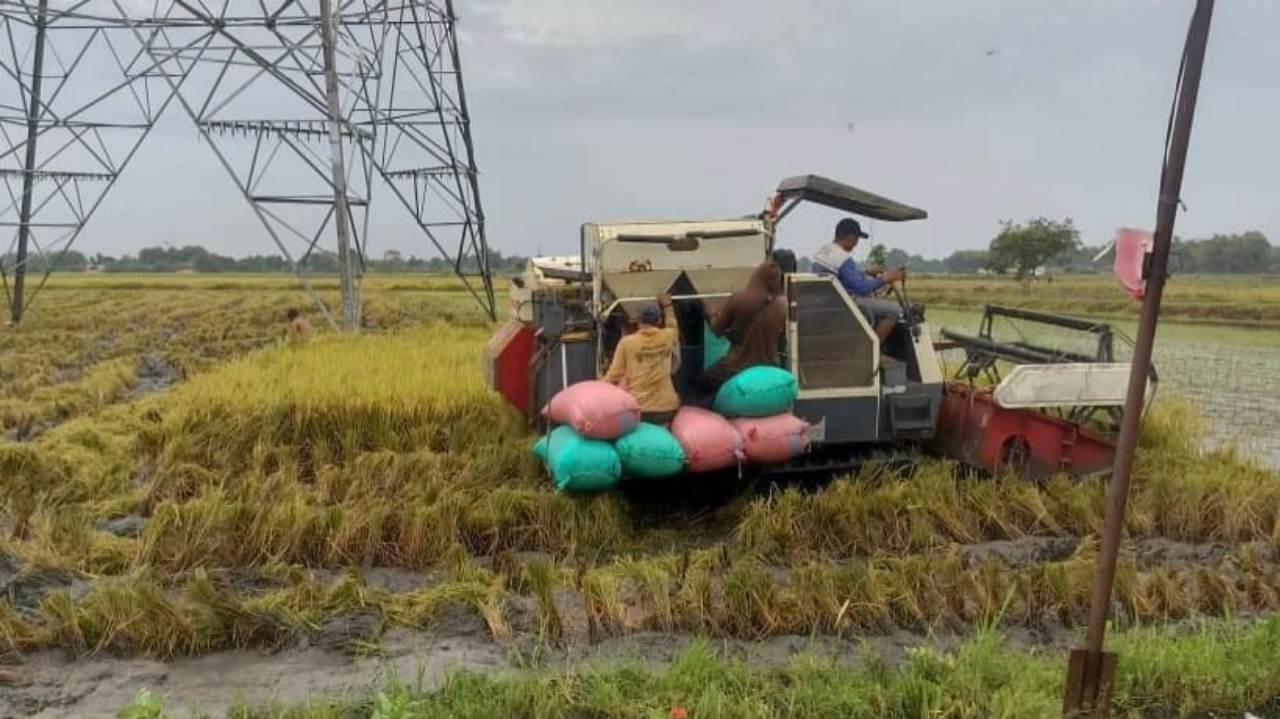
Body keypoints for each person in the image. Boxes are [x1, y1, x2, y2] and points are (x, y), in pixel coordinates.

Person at [693, 261, 788, 407]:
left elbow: (717, 331)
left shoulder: (738, 299)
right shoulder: (783, 304)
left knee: (699, 384)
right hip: (770, 365)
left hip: (736, 366)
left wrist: (712, 315)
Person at [812, 218, 905, 342]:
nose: (856, 244)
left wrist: (865, 273)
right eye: (856, 239)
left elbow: (843, 277)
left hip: (826, 302)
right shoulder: (843, 258)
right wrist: (885, 278)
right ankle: (873, 349)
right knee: (894, 310)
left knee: (871, 298)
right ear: (850, 237)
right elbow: (861, 288)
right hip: (843, 305)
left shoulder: (825, 251)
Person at [604, 293, 680, 424]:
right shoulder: (668, 336)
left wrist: (598, 385)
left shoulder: (627, 343)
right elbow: (673, 325)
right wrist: (668, 306)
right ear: (659, 321)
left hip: (639, 410)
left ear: (639, 321)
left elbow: (614, 375)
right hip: (666, 409)